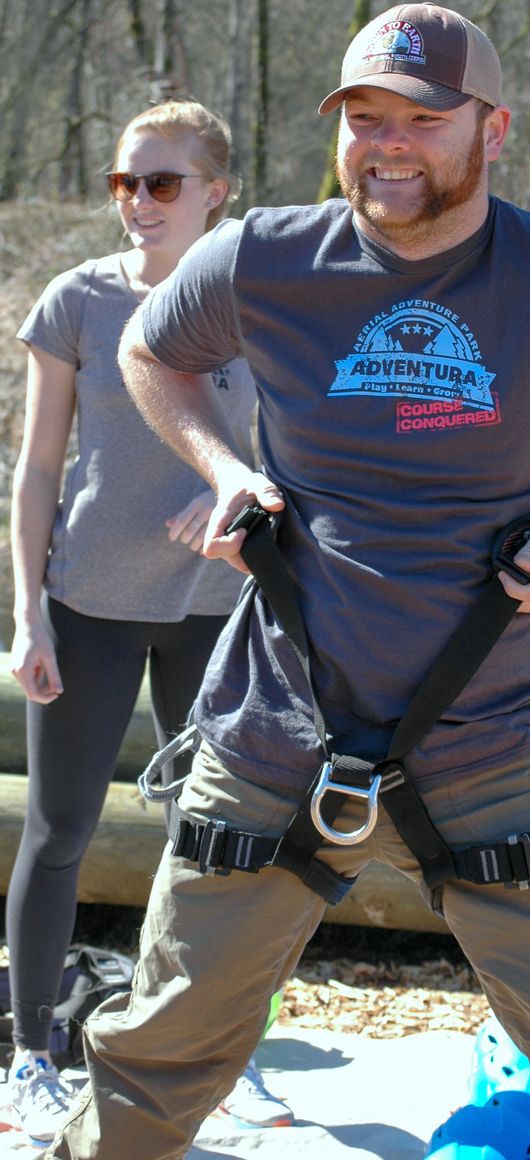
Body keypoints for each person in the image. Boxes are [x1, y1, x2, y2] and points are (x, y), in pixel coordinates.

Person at [46, 6, 530, 1159]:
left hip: (493, 745)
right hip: (275, 731)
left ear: (494, 131)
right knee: (150, 1064)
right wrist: (228, 465)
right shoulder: (266, 257)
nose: (389, 143)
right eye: (365, 117)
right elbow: (151, 351)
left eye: (424, 119)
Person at [4, 99, 292, 1144]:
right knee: (61, 829)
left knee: (217, 839)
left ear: (218, 191)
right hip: (87, 606)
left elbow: (304, 448)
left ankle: (224, 1055)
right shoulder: (75, 300)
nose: (138, 202)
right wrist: (28, 611)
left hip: (221, 607)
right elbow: (37, 469)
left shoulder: (264, 298)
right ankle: (32, 1054)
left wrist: (237, 484)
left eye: (162, 183)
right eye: (125, 182)